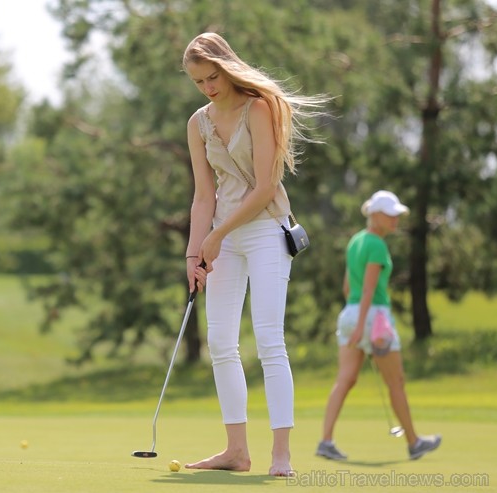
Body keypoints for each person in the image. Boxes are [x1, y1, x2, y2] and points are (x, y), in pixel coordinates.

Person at [182, 32, 327, 476]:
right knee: (221, 344)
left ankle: (280, 454)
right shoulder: (198, 123)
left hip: (265, 229)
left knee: (269, 339)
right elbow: (203, 195)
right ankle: (236, 451)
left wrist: (217, 235)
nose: (208, 87)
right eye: (198, 81)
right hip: (222, 239)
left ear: (227, 67)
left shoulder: (259, 108)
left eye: (213, 77)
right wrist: (193, 254)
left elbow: (265, 186)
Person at [316, 190, 441, 461]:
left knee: (345, 379)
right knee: (395, 381)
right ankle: (413, 443)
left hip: (349, 314)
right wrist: (364, 326)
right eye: (391, 214)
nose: (396, 219)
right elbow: (369, 290)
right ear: (375, 215)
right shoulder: (377, 246)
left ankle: (325, 441)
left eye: (397, 215)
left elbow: (348, 287)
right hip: (374, 320)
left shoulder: (355, 242)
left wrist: (356, 323)